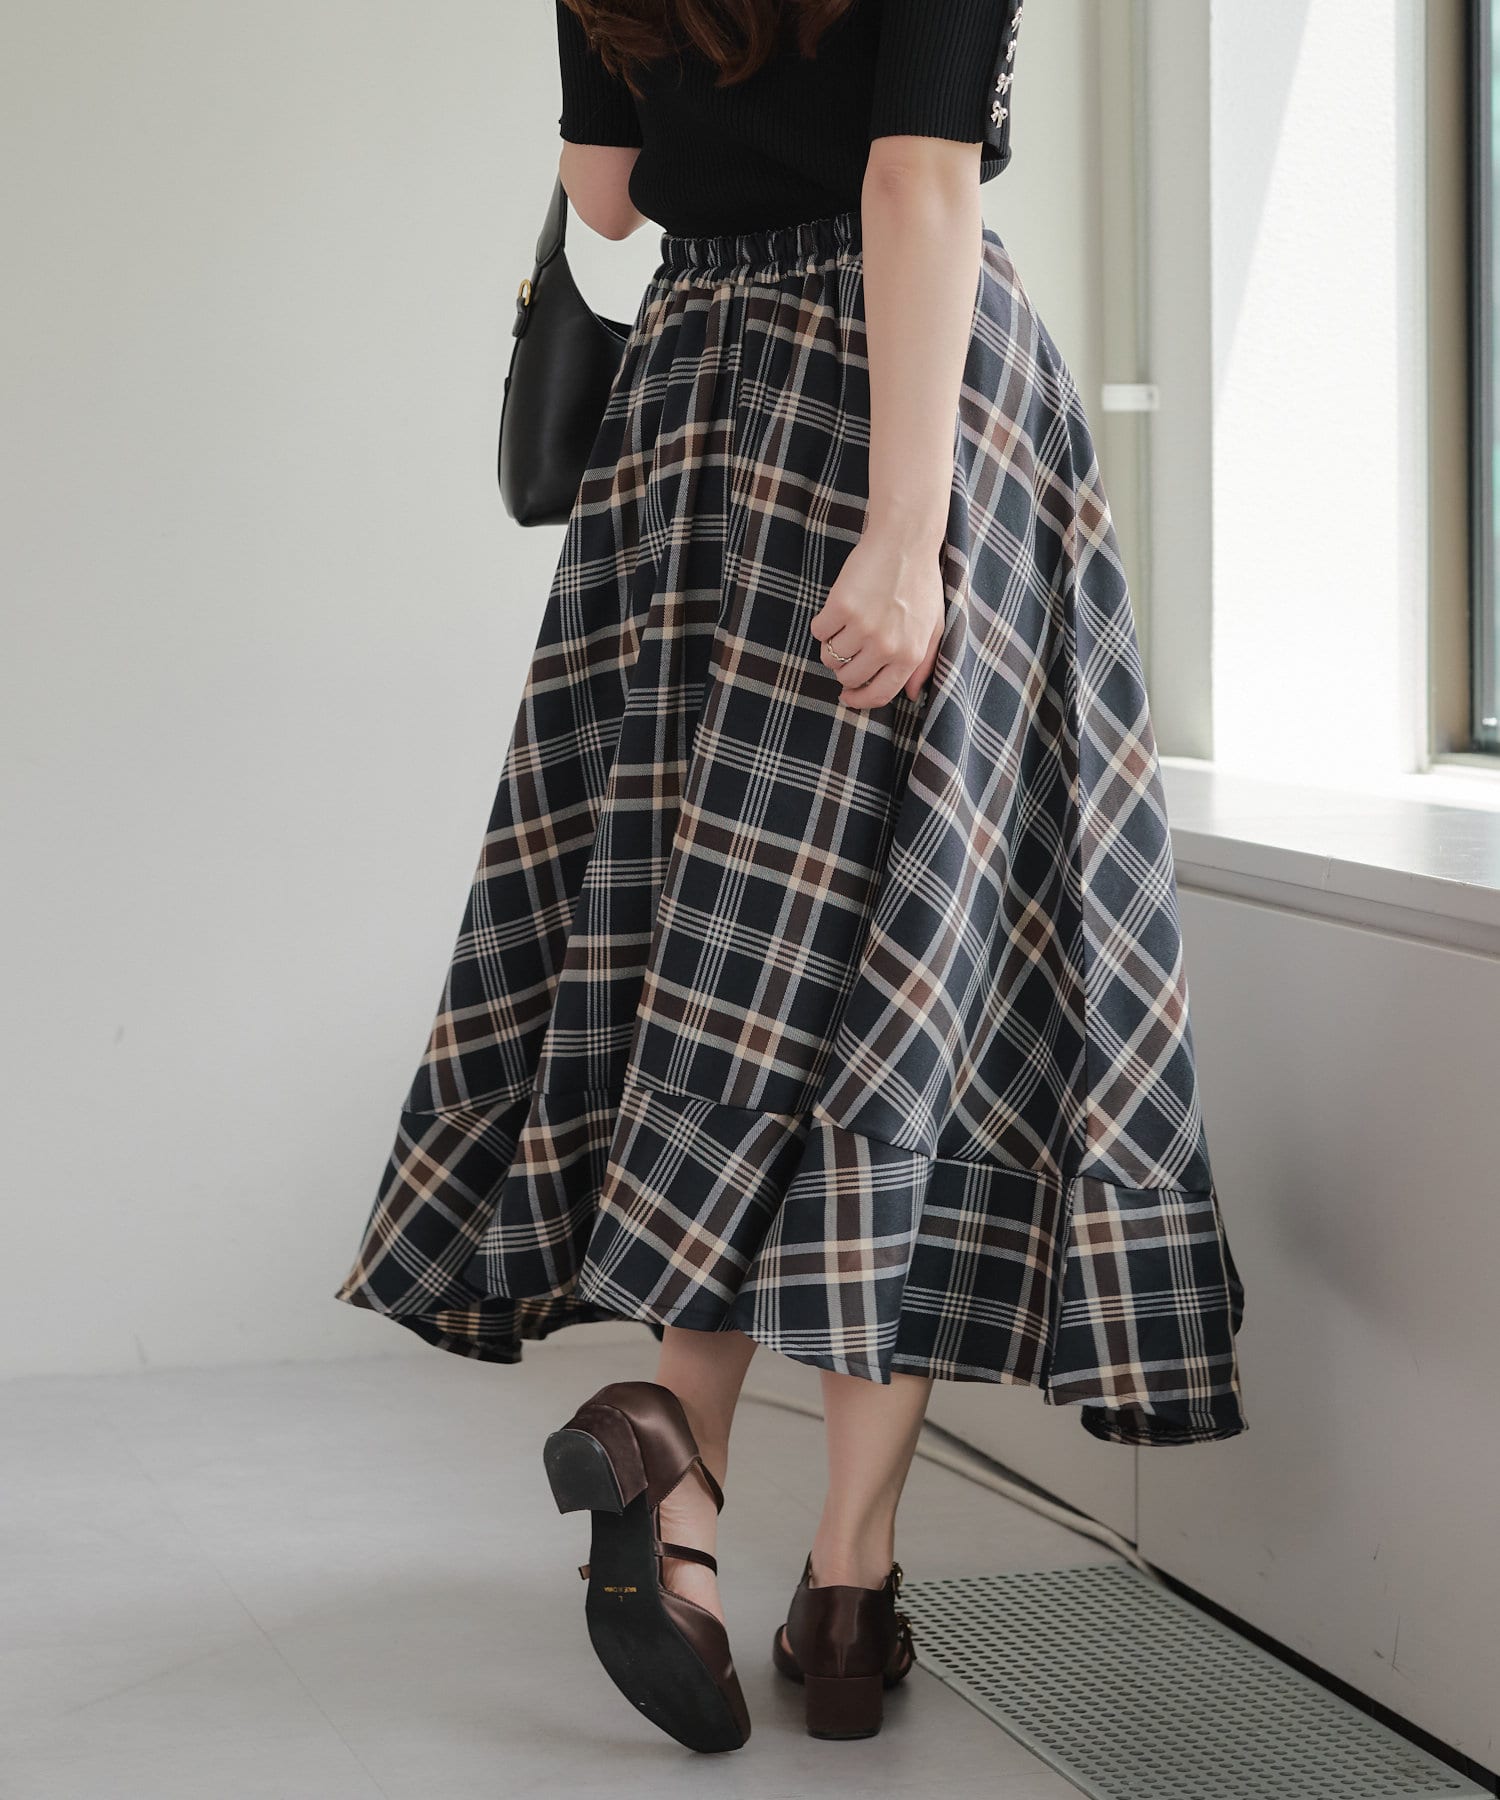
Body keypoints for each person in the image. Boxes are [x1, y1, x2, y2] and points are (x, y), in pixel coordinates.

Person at [334, 0, 1248, 1755]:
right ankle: (845, 1582)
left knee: (735, 948)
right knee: (914, 954)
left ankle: (690, 1497)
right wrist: (906, 531)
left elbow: (607, 193)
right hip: (901, 410)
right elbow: (916, 183)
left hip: (692, 411)